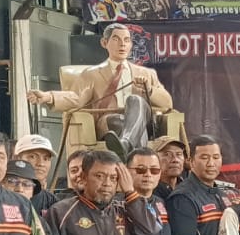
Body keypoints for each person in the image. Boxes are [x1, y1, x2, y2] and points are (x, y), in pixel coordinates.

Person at [26, 23, 173, 152]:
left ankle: (125, 144)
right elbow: (76, 98)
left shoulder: (146, 74)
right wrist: (48, 96)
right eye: (116, 39)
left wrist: (149, 90)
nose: (122, 44)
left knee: (135, 100)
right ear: (104, 42)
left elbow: (167, 103)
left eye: (126, 40)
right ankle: (136, 157)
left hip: (144, 123)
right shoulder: (91, 74)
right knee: (120, 121)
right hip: (111, 123)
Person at [127, 147, 173, 235]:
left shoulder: (161, 201)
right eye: (140, 170)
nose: (148, 174)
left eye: (154, 170)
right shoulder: (119, 205)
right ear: (127, 171)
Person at [13, 133, 58, 207]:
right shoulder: (2, 196)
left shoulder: (51, 202)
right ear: (17, 158)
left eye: (46, 158)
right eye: (32, 157)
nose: (41, 164)